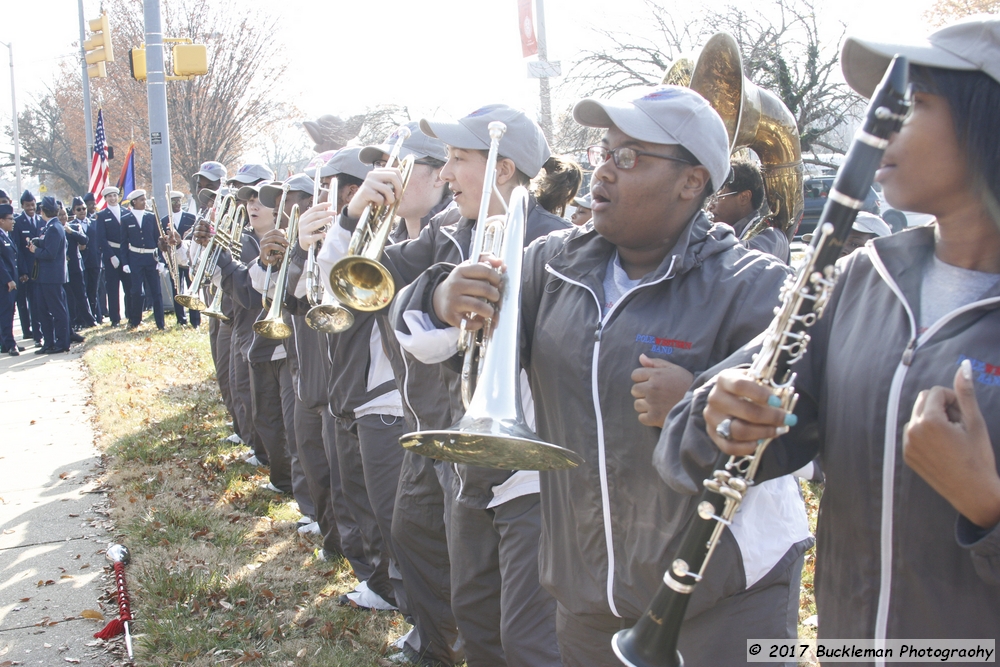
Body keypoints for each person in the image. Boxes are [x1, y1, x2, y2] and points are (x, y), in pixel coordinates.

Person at [414, 87, 811, 666]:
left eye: (629, 158)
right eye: (604, 152)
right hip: (588, 597)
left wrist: (696, 405)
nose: (602, 172)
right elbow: (437, 338)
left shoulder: (755, 283)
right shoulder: (550, 265)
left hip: (728, 599)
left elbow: (799, 420)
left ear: (692, 181)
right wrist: (443, 295)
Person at [661, 15, 1000, 648]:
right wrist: (718, 412)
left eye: (914, 102)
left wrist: (987, 507)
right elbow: (690, 440)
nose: (878, 123)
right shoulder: (858, 281)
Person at [707, 158, 790, 263]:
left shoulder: (773, 237)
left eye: (717, 197)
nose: (710, 206)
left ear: (744, 198)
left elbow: (738, 264)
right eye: (709, 199)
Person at [27, 197, 70, 354]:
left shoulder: (54, 228)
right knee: (43, 310)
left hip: (52, 276)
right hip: (45, 276)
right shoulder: (51, 227)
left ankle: (62, 342)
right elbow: (48, 244)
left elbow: (50, 253)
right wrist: (38, 242)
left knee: (57, 310)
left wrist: (35, 251)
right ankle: (49, 342)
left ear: (42, 211)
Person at [122, 190, 165, 330]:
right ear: (134, 201)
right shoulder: (126, 219)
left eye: (145, 199)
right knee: (136, 291)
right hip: (135, 258)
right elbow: (123, 242)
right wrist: (125, 262)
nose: (144, 202)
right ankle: (135, 321)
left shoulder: (151, 217)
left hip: (151, 257)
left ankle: (160, 323)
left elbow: (159, 240)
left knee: (156, 291)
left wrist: (161, 261)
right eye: (141, 200)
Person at [96, 186, 133, 327]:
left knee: (129, 286)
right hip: (111, 255)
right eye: (109, 196)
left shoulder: (125, 212)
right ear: (105, 199)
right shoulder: (102, 215)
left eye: (114, 195)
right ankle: (115, 318)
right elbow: (101, 238)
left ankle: (130, 315)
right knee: (112, 288)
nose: (112, 198)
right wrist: (111, 255)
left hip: (125, 254)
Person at [162, 190, 200, 328]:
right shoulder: (164, 220)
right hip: (174, 260)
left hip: (189, 258)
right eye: (174, 201)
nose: (177, 204)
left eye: (179, 201)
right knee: (177, 289)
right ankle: (181, 319)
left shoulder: (190, 217)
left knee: (192, 289)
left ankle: (195, 320)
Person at [13, 190, 41, 345]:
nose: (31, 207)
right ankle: (30, 331)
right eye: (27, 205)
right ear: (22, 205)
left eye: (33, 204)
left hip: (42, 269)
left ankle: (40, 331)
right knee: (29, 302)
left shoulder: (40, 220)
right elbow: (18, 249)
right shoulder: (18, 223)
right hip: (28, 270)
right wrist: (22, 271)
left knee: (39, 302)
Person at [65, 198, 96, 331]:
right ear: (73, 211)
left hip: (92, 262)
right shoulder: (65, 226)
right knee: (74, 296)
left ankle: (92, 317)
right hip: (72, 264)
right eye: (79, 209)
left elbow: (87, 240)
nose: (82, 211)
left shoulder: (87, 224)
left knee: (91, 293)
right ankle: (77, 320)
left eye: (84, 208)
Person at [79, 194, 105, 325]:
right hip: (82, 263)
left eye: (85, 207)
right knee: (84, 292)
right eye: (81, 208)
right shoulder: (73, 224)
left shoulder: (95, 221)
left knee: (95, 291)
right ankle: (86, 319)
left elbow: (101, 239)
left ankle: (97, 316)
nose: (85, 209)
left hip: (95, 261)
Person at [0, 204, 21, 355]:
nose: (13, 221)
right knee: (6, 313)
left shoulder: (6, 235)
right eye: (10, 219)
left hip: (10, 280)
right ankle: (9, 343)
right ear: (1, 220)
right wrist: (8, 279)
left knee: (9, 312)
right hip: (4, 282)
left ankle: (6, 342)